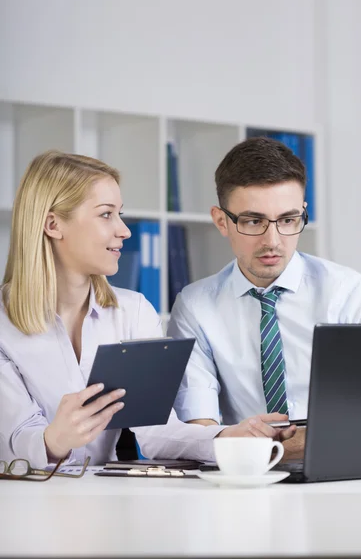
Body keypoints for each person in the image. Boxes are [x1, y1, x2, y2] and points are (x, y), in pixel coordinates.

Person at [0, 150, 294, 469]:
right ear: (53, 224)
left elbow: (155, 431)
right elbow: (15, 440)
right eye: (106, 214)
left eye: (120, 214)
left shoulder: (134, 311)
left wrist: (227, 438)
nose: (124, 230)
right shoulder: (4, 324)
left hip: (105, 498)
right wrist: (54, 440)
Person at [167, 136, 361, 458]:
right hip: (242, 481)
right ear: (221, 221)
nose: (272, 241)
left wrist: (265, 446)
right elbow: (201, 429)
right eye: (253, 221)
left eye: (288, 220)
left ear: (302, 213)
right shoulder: (195, 306)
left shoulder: (352, 293)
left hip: (342, 472)